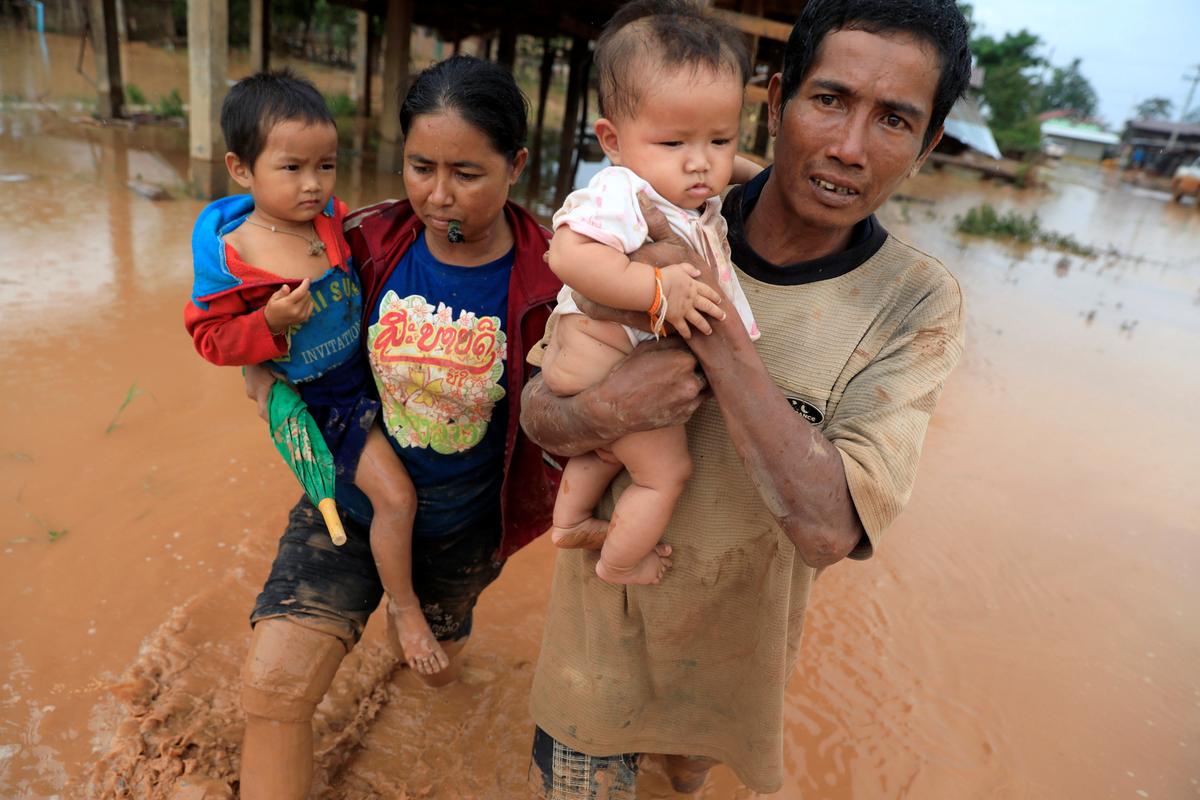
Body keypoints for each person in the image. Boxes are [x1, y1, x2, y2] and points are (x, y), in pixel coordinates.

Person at [521, 0, 971, 796]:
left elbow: (831, 529)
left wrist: (713, 326)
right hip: (595, 653)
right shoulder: (657, 212)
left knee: (685, 780)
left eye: (895, 120)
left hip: (733, 668)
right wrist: (606, 411)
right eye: (829, 100)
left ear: (928, 144)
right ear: (776, 103)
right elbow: (535, 409)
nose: (848, 146)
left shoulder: (915, 303)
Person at [236, 56, 561, 800]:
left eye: (467, 174)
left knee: (434, 670)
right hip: (345, 501)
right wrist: (256, 363)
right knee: (275, 687)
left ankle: (413, 658)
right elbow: (245, 292)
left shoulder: (557, 279)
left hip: (463, 533)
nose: (437, 195)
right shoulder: (361, 241)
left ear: (516, 165)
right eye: (421, 166)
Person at [184, 69, 452, 678]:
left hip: (371, 376)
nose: (313, 185)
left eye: (325, 166)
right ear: (241, 169)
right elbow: (207, 337)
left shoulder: (329, 220)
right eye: (292, 168)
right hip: (326, 402)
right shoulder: (236, 259)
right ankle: (406, 611)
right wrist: (267, 330)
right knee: (397, 498)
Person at [541, 0, 761, 585]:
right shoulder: (622, 190)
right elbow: (565, 253)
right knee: (665, 473)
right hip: (601, 355)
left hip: (596, 360)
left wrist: (754, 172)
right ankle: (619, 563)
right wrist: (656, 288)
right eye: (673, 144)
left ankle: (569, 521)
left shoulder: (678, 184)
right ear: (612, 140)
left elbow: (718, 160)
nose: (701, 164)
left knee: (611, 448)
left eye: (720, 140)